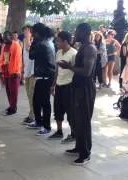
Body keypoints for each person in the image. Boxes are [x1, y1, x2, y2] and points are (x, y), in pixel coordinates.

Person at [58, 23, 97, 165]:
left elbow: (86, 71)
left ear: (85, 32)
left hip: (86, 89)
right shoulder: (83, 47)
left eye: (77, 32)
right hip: (78, 87)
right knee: (77, 119)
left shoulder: (91, 49)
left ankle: (85, 153)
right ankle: (79, 147)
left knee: (84, 121)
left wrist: (68, 67)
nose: (75, 34)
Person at [27, 23, 56, 136]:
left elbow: (31, 55)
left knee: (44, 102)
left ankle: (46, 126)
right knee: (37, 101)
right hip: (44, 75)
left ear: (37, 33)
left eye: (33, 32)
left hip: (45, 76)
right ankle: (39, 122)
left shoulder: (41, 44)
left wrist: (33, 41)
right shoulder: (48, 42)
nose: (32, 34)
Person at [48, 31, 77, 143]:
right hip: (59, 85)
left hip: (69, 86)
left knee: (70, 111)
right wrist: (53, 84)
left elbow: (76, 71)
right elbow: (57, 70)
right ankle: (59, 131)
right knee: (57, 109)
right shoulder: (59, 52)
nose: (56, 43)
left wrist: (68, 66)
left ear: (65, 41)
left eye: (58, 41)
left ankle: (73, 133)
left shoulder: (74, 53)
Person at [0, 31, 22, 116]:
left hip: (14, 72)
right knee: (8, 90)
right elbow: (1, 58)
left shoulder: (16, 45)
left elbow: (17, 60)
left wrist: (16, 71)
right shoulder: (4, 46)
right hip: (6, 71)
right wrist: (1, 70)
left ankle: (13, 108)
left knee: (14, 92)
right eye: (3, 37)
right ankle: (11, 105)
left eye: (6, 37)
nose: (4, 39)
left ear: (11, 37)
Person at [20, 26, 35, 125]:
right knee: (29, 95)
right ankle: (31, 114)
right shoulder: (24, 41)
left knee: (32, 94)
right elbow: (23, 56)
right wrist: (22, 71)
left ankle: (33, 115)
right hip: (26, 71)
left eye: (27, 31)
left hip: (33, 72)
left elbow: (29, 50)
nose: (25, 32)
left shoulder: (33, 41)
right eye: (24, 31)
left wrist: (28, 39)